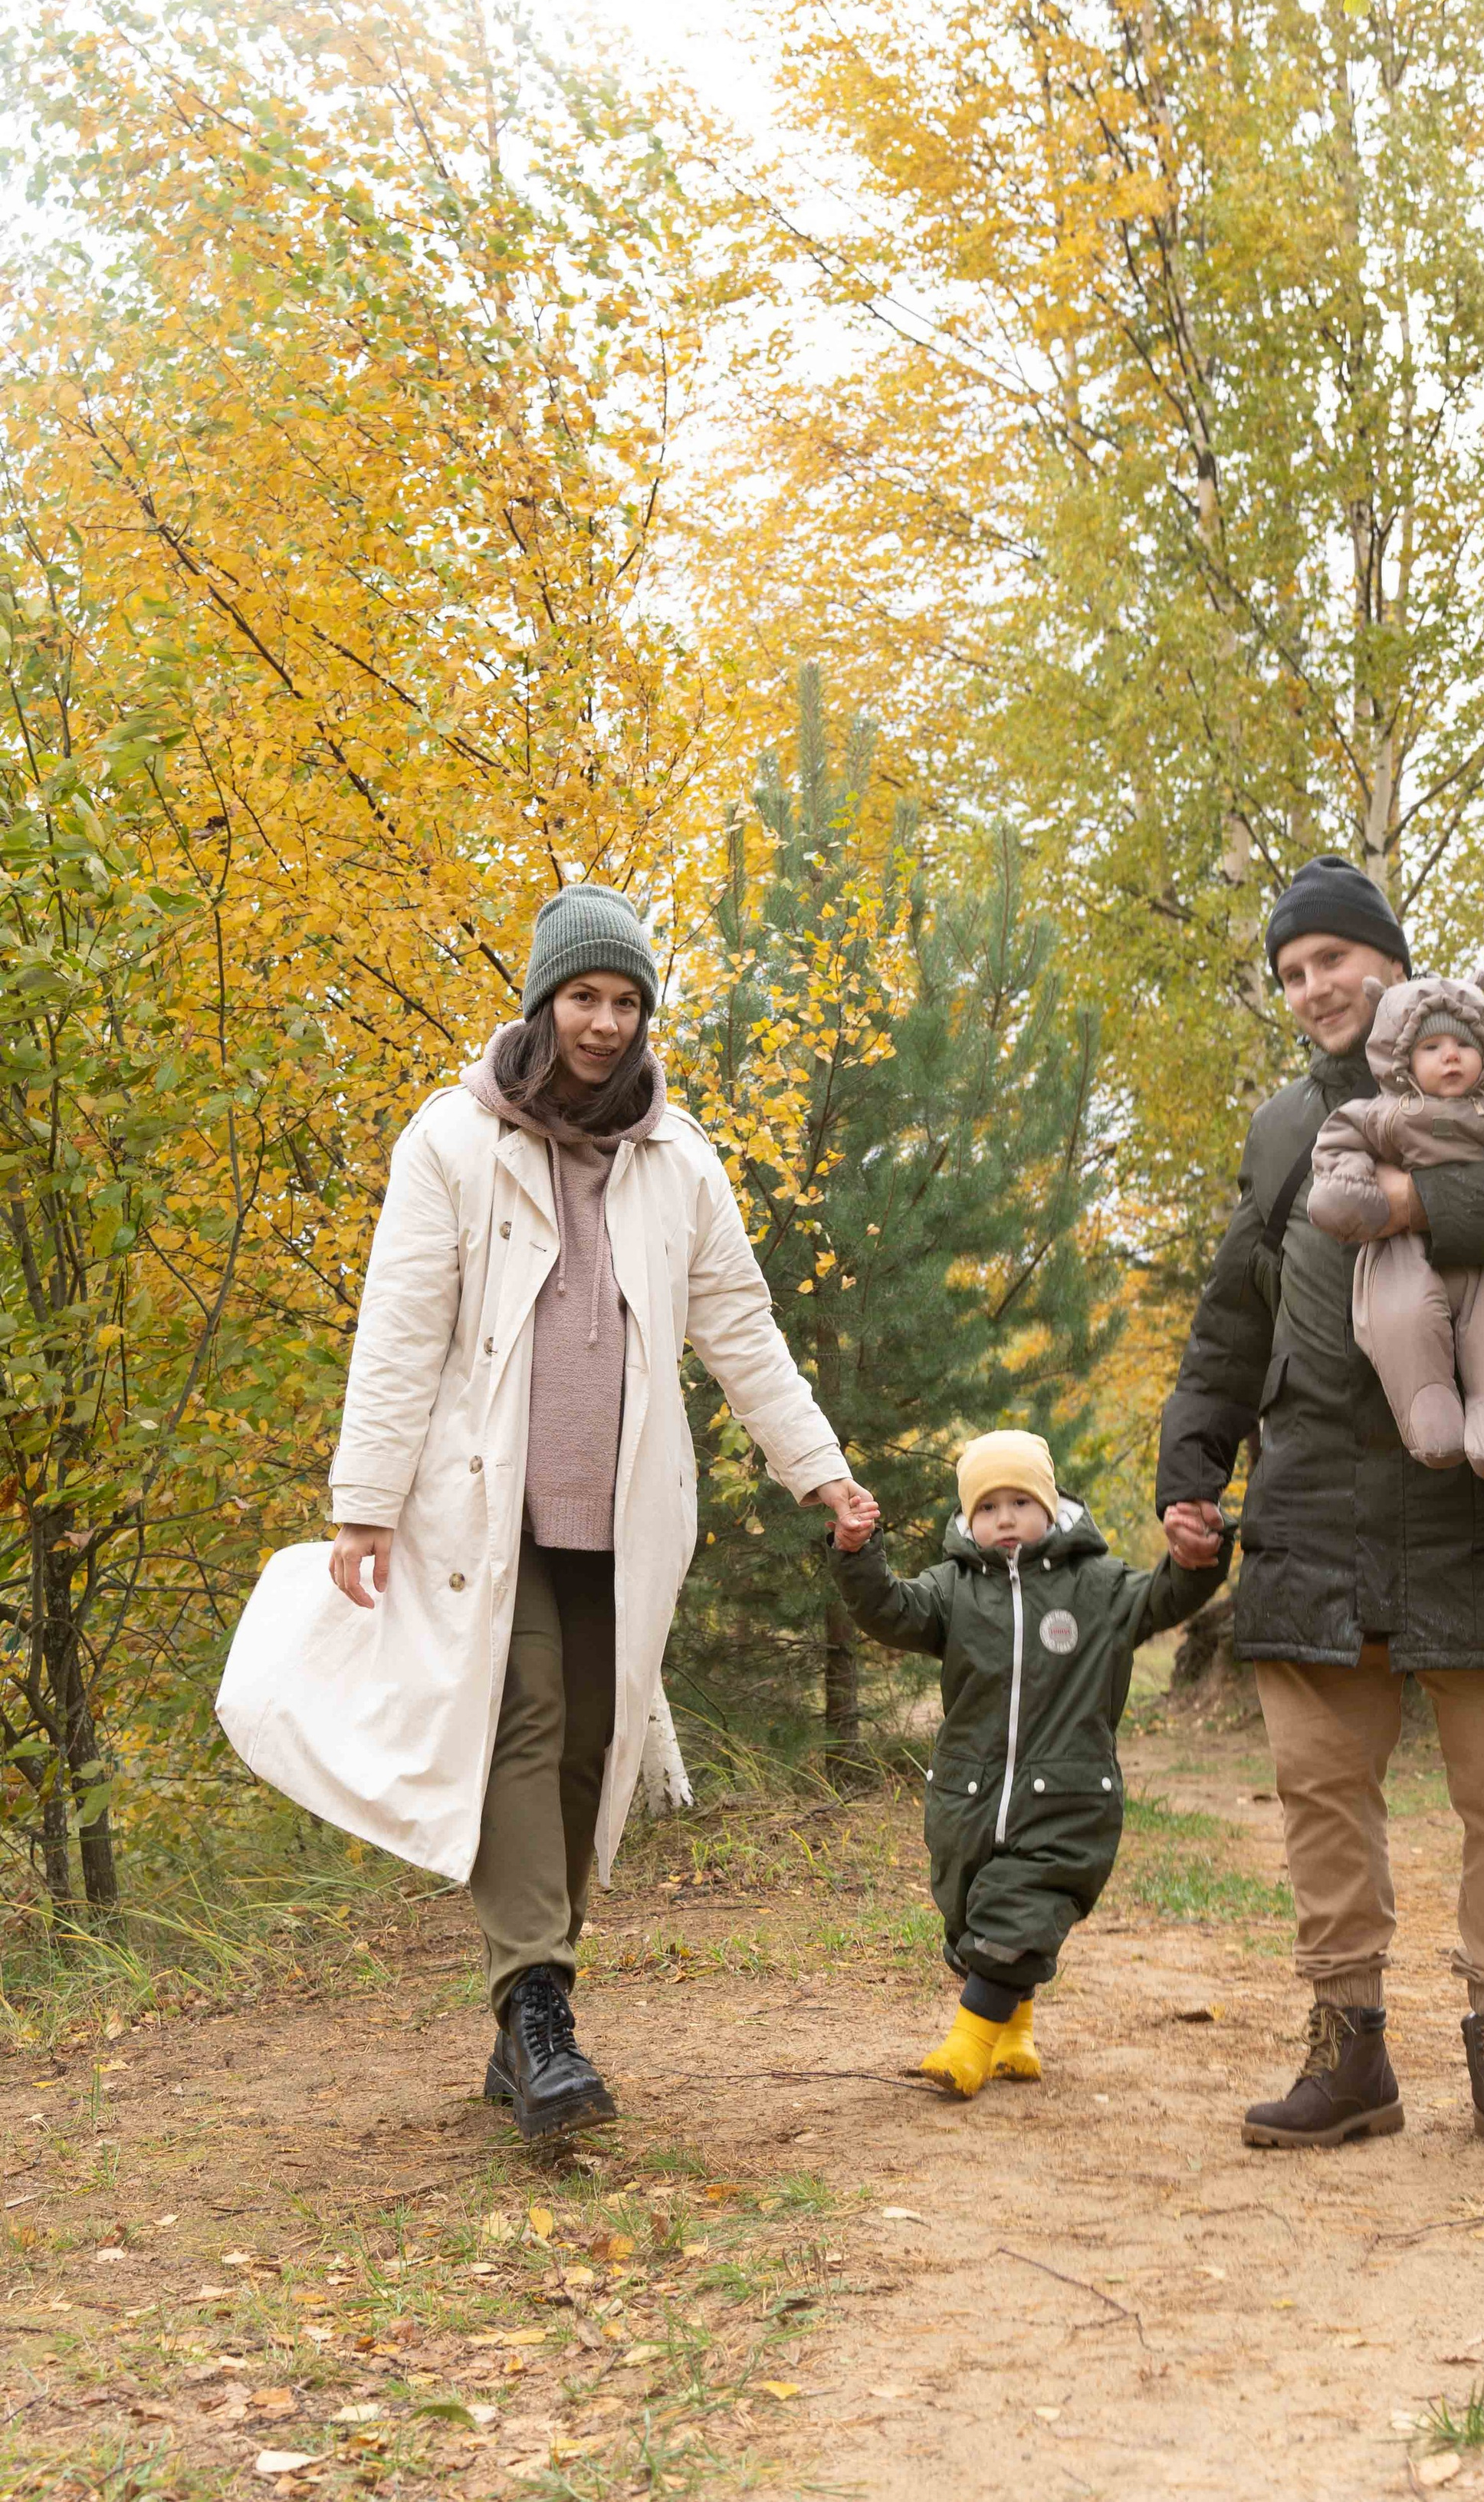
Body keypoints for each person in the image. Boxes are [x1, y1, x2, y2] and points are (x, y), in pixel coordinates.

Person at [321, 885, 875, 2139]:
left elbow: (741, 1325)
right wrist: (366, 1505)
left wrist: (820, 1467)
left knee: (586, 1750)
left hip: (623, 1516)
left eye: (628, 1003)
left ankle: (525, 2023)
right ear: (543, 1001)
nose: (607, 1024)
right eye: (586, 997)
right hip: (483, 1509)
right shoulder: (454, 1142)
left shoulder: (677, 1162)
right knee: (523, 1725)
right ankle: (539, 2008)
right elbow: (401, 1328)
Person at [1157, 857, 1484, 2158]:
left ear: (1392, 958)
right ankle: (1348, 2052)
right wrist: (1190, 1465)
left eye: (1334, 960)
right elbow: (1232, 1311)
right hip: (1317, 1495)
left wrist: (1412, 1200)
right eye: (1293, 972)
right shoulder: (1281, 1128)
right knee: (1320, 1783)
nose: (1314, 987)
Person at [828, 1429, 1231, 2096]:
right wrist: (858, 1553)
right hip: (969, 1796)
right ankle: (1015, 2035)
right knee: (973, 1919)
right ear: (967, 1519)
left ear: (1051, 1508)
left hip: (1068, 1797)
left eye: (1020, 1501)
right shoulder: (951, 1589)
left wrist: (1197, 1561)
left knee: (1019, 1913)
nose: (1005, 1517)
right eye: (987, 1507)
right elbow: (888, 1610)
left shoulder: (1096, 1586)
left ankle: (967, 2044)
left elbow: (1165, 1597)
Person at [1307, 973, 1484, 1481]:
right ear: (1402, 1057)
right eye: (1432, 1046)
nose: (1450, 1055)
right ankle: (1429, 1417)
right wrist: (1350, 1191)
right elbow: (1340, 1143)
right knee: (1403, 1318)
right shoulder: (1385, 1111)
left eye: (1464, 1043)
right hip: (1403, 1254)